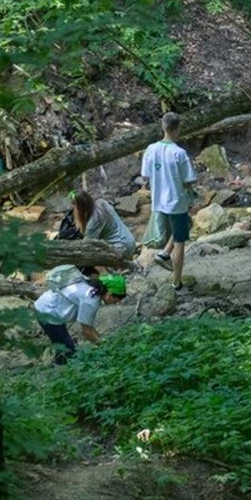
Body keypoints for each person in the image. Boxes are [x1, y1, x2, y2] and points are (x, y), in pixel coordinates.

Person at [140, 112, 197, 290]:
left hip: (158, 202)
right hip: (176, 202)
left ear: (163, 127)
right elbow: (188, 181)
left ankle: (164, 253)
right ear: (177, 129)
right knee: (180, 241)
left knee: (187, 224)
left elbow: (146, 176)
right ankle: (176, 282)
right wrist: (193, 195)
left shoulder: (150, 150)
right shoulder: (180, 153)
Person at [34, 274, 127, 365]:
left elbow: (88, 327)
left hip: (50, 306)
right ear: (109, 294)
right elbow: (87, 332)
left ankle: (58, 364)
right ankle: (59, 371)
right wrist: (108, 348)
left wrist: (101, 341)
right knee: (67, 350)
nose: (114, 304)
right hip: (47, 311)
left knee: (63, 343)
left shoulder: (89, 286)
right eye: (115, 301)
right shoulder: (90, 300)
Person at [72, 190, 137, 260]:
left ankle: (109, 270)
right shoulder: (102, 202)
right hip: (131, 242)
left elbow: (86, 247)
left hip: (121, 249)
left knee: (90, 255)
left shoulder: (93, 222)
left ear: (80, 209)